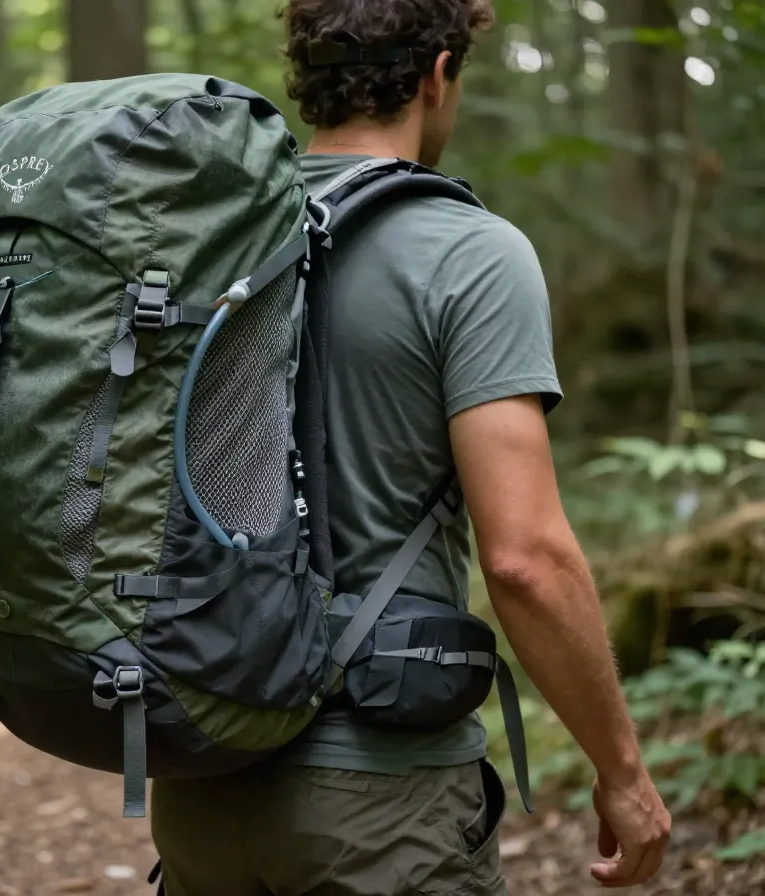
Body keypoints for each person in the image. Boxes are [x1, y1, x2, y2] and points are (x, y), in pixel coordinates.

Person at [148, 1, 673, 893]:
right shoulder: (467, 253)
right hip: (380, 797)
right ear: (437, 75)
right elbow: (525, 561)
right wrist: (622, 771)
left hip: (199, 770)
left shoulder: (207, 239)